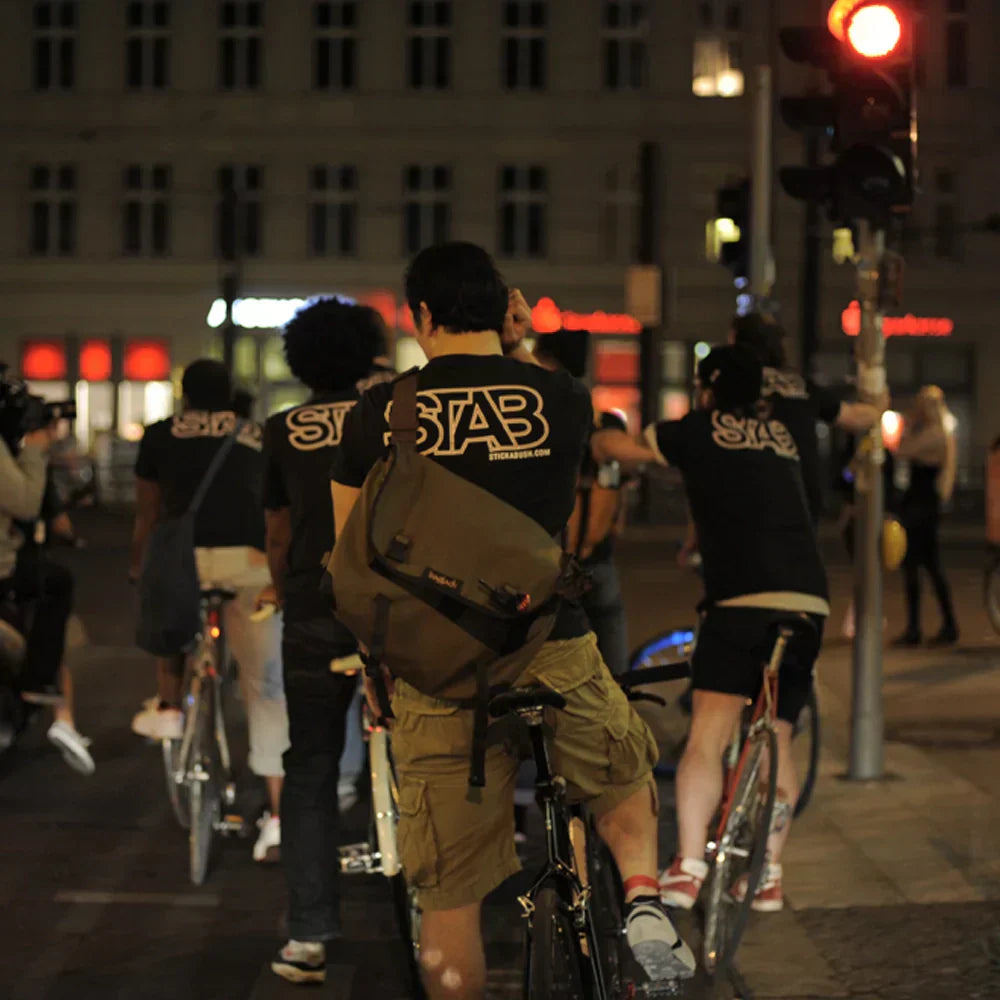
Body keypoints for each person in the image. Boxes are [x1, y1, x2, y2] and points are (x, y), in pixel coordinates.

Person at [331, 242, 695, 999]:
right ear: (505, 311)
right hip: (549, 646)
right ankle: (642, 897)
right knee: (623, 775)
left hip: (436, 676)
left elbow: (350, 568)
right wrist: (519, 338)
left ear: (419, 315)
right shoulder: (562, 399)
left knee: (449, 895)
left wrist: (378, 669)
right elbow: (535, 386)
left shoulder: (379, 414)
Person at [596, 345, 829, 914]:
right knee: (778, 734)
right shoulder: (780, 438)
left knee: (708, 732)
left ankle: (690, 867)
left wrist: (603, 438)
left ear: (705, 390)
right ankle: (769, 875)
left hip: (740, 600)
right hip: (807, 601)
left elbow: (624, 450)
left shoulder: (697, 430)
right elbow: (748, 498)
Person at [261, 297, 392, 985]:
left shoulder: (283, 429)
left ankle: (308, 935)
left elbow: (278, 533)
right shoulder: (390, 417)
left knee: (309, 766)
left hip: (313, 610)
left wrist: (282, 590)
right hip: (391, 611)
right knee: (412, 745)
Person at [129, 359, 288, 863]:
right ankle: (279, 820)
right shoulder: (258, 434)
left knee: (168, 615)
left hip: (184, 562)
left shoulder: (159, 435)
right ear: (230, 395)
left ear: (184, 395)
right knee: (265, 686)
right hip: (250, 565)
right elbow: (275, 511)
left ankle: (172, 706)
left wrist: (141, 568)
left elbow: (148, 512)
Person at [534, 330, 630, 676]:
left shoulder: (544, 420)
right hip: (599, 560)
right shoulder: (604, 423)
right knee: (615, 676)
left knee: (555, 675)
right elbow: (622, 486)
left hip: (556, 565)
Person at [0, 420, 93, 773]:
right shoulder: (19, 458)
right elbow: (25, 502)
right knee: (56, 589)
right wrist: (36, 451)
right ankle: (56, 708)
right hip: (7, 570)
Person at [729, 312, 882, 522]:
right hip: (799, 503)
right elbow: (856, 418)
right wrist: (879, 400)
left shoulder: (729, 387)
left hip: (746, 503)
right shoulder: (799, 386)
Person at [894, 385, 959, 646]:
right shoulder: (933, 431)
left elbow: (903, 450)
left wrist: (909, 426)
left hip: (923, 502)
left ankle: (933, 626)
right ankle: (924, 625)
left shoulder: (936, 433)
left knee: (924, 565)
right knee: (922, 566)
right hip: (919, 499)